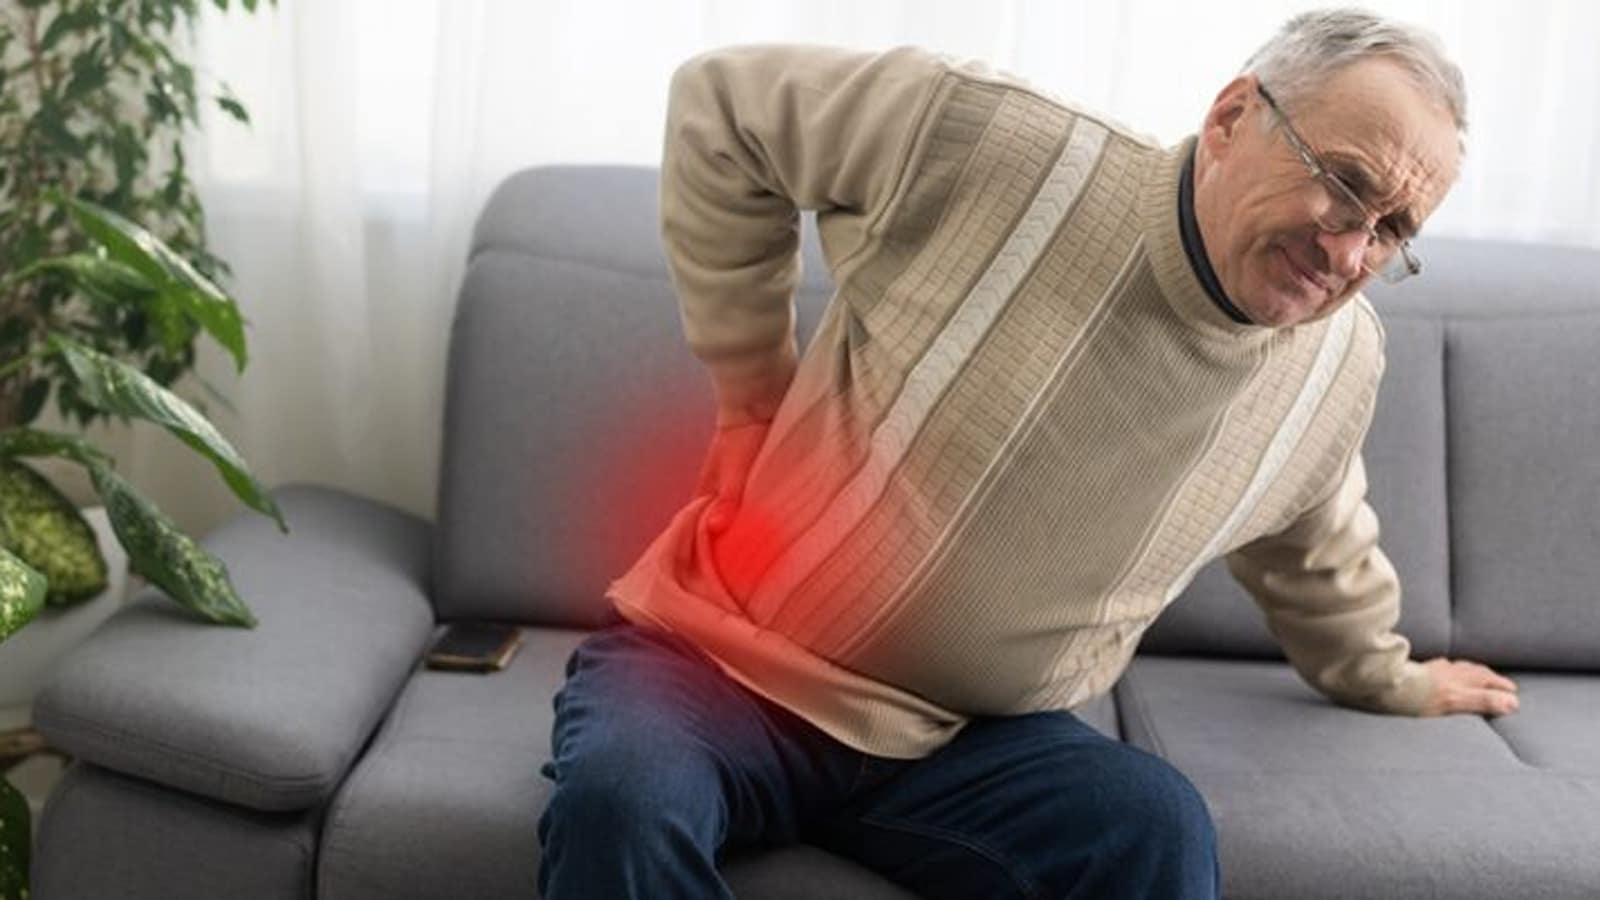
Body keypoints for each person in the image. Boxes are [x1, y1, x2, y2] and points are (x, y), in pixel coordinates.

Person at [536, 9, 1521, 899]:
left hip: (972, 744)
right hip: (717, 663)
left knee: (1151, 829)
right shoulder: (992, 139)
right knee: (621, 809)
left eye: (1392, 230)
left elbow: (1317, 551)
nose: (1350, 249)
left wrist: (1387, 677)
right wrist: (750, 395)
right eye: (1345, 185)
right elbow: (723, 106)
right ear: (1230, 117)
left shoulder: (1334, 371)